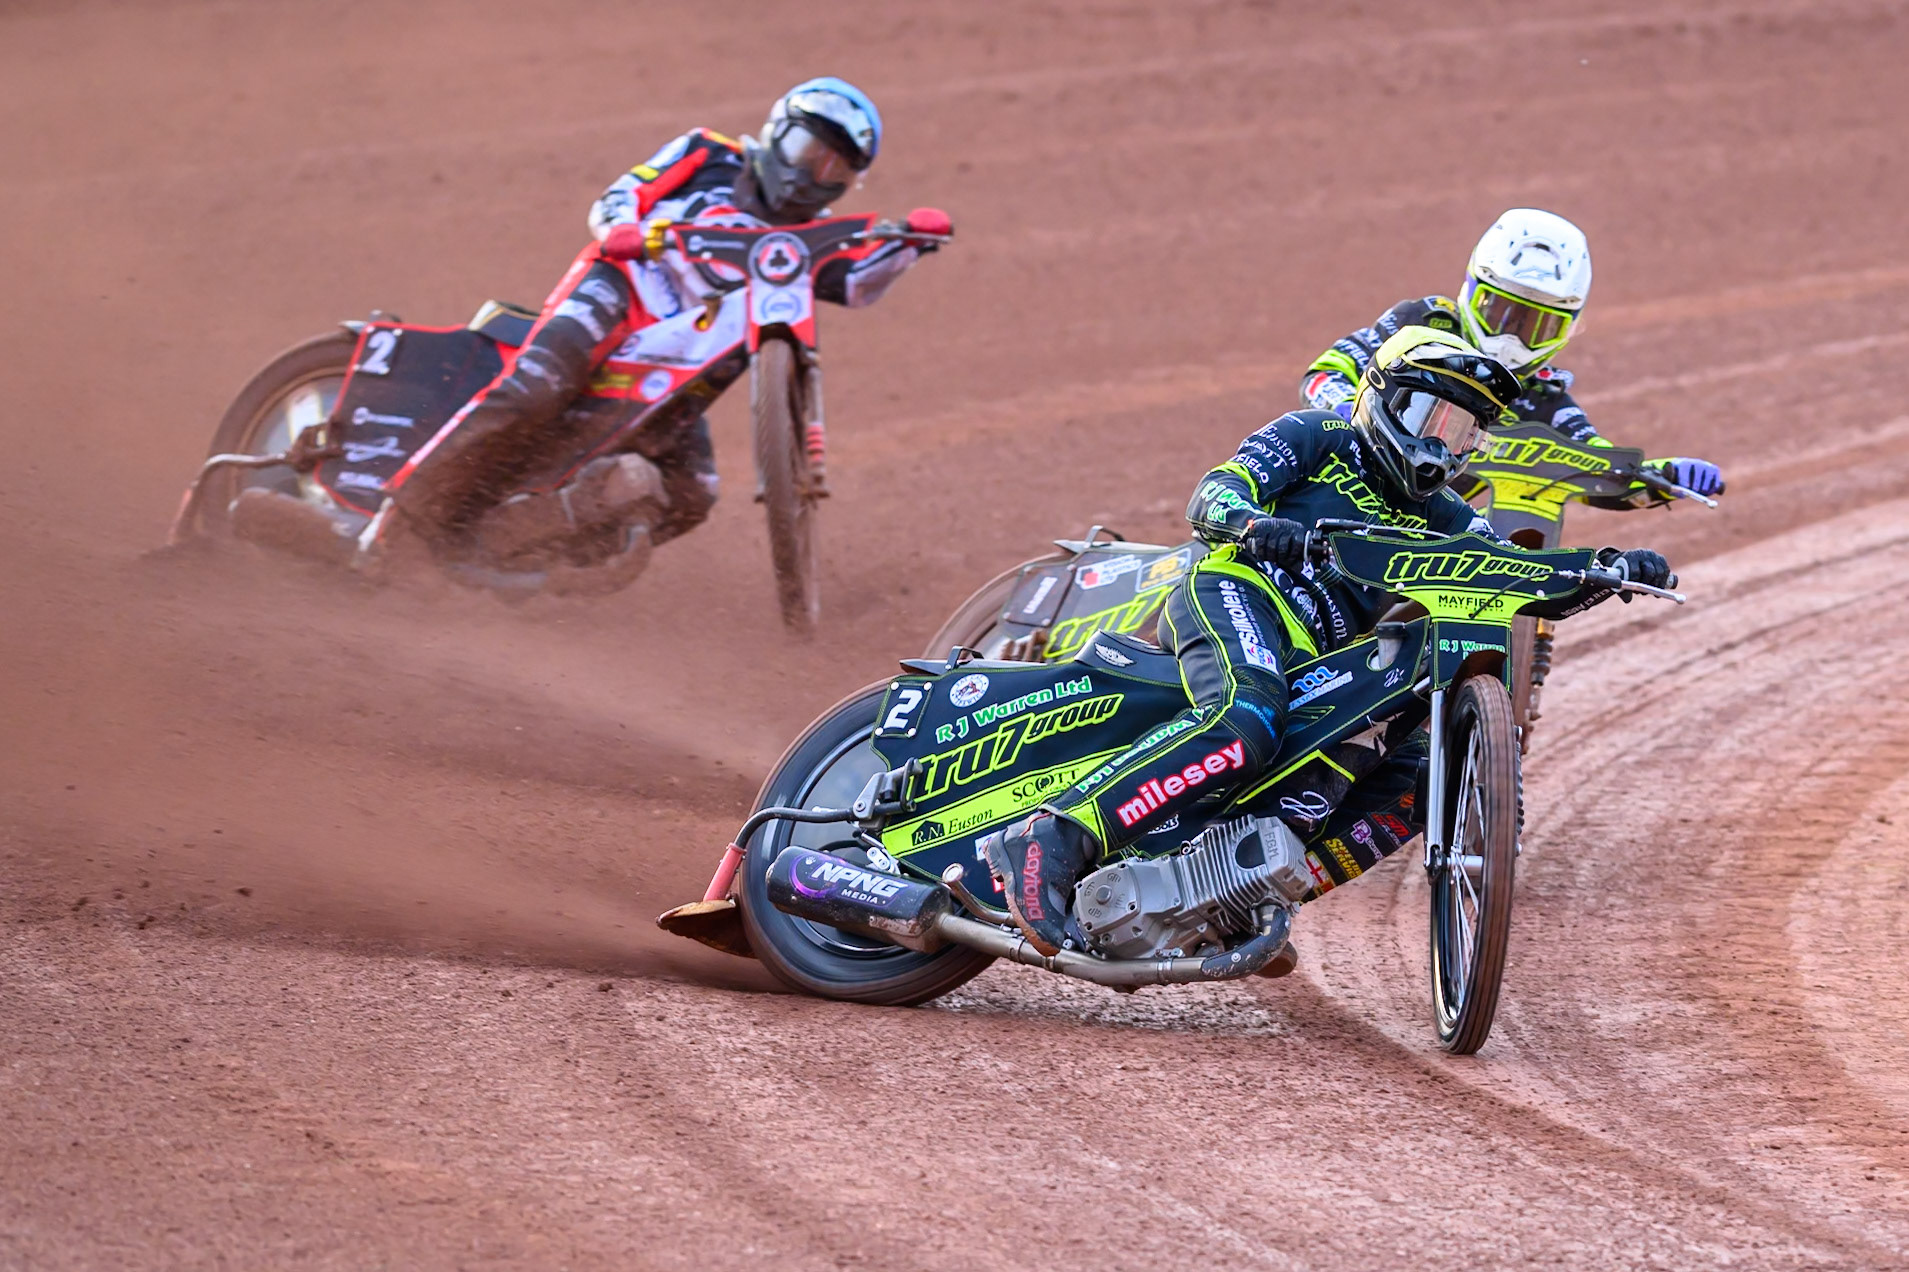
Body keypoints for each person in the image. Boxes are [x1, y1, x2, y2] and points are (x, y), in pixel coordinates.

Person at [985, 328, 1673, 956]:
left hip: (1317, 659)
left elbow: (1513, 576)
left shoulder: (1447, 515)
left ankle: (1241, 900)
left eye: (1461, 432)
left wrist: (1605, 569)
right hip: (1236, 591)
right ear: (1382, 399)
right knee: (1243, 721)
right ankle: (1052, 837)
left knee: (1414, 773)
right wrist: (1256, 527)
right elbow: (1213, 495)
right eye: (1428, 418)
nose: (1440, 443)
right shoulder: (1318, 435)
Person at [353, 78, 948, 560]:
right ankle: (394, 518)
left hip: (682, 357)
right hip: (623, 288)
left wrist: (908, 246)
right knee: (538, 387)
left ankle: (520, 554)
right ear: (777, 133)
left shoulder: (805, 242)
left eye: (835, 172)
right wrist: (625, 231)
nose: (814, 176)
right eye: (807, 153)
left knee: (692, 494)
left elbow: (854, 283)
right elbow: (621, 196)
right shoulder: (708, 152)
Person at [1299, 208, 1725, 505]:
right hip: (1346, 488)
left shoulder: (1544, 398)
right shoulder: (1422, 326)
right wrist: (1351, 411)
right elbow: (1324, 374)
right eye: (1500, 313)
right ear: (1471, 291)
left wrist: (1665, 476)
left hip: (1431, 526)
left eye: (1535, 326)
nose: (1511, 339)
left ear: (1569, 327)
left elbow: (1599, 465)